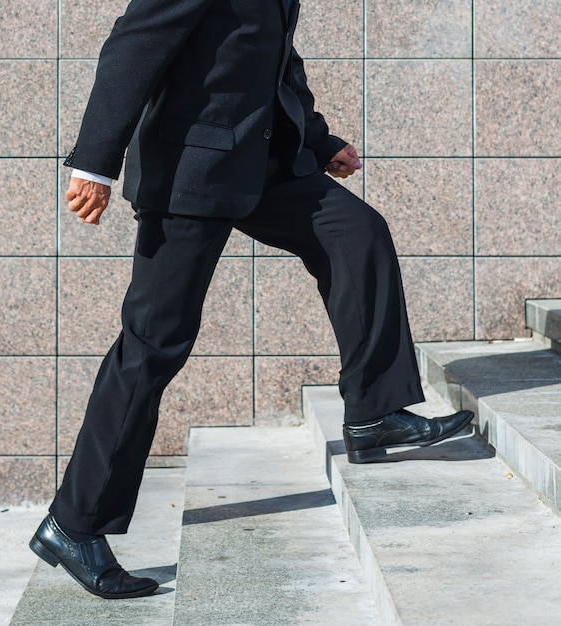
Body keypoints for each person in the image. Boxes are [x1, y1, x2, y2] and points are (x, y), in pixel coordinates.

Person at [30, 0, 474, 599]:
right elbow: (132, 45)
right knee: (154, 344)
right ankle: (73, 522)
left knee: (358, 235)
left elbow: (275, 60)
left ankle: (374, 410)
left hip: (263, 164)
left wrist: (318, 142)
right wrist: (94, 164)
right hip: (192, 172)